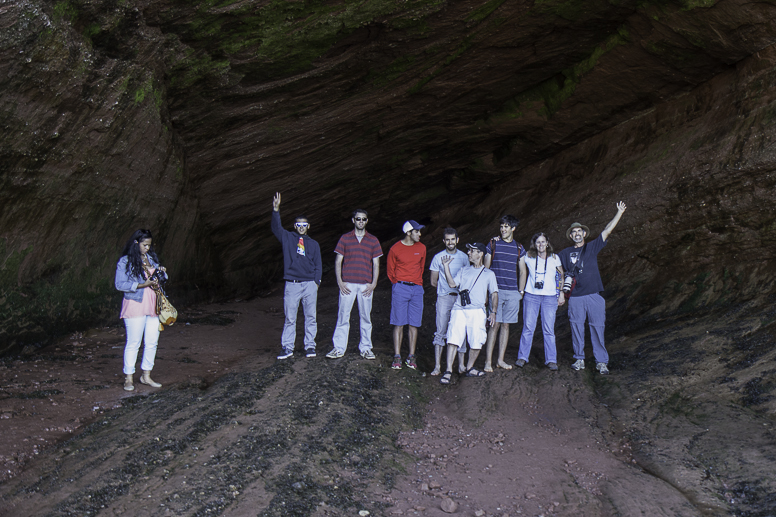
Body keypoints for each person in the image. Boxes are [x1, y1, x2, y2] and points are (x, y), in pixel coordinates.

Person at [557, 201, 627, 375]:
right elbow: (553, 266)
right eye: (573, 232)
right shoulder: (564, 253)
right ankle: (579, 359)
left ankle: (601, 362)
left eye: (579, 231)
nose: (576, 233)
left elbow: (607, 230)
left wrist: (619, 212)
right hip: (575, 297)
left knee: (597, 327)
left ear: (584, 233)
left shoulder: (591, 247)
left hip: (594, 295)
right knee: (576, 327)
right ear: (571, 236)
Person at [114, 229, 167, 391]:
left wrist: (162, 273)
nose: (147, 248)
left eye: (149, 245)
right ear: (136, 243)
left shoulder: (151, 259)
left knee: (152, 342)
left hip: (153, 306)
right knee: (134, 342)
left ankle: (146, 376)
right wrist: (141, 285)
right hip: (135, 305)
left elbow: (158, 281)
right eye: (145, 245)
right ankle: (129, 378)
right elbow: (119, 284)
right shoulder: (125, 261)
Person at [271, 192, 322, 359]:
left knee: (310, 317)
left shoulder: (313, 244)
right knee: (290, 317)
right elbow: (276, 228)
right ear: (295, 226)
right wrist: (276, 210)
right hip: (292, 283)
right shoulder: (288, 238)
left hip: (309, 284)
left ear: (309, 227)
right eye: (298, 224)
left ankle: (310, 346)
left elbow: (318, 265)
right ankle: (287, 347)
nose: (301, 227)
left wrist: (316, 282)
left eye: (304, 224)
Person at [438, 243, 498, 384]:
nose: (469, 253)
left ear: (480, 253)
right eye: (469, 250)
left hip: (477, 310)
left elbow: (494, 294)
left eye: (472, 251)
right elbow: (453, 284)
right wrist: (446, 267)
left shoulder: (489, 274)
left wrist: (493, 312)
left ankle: (470, 367)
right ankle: (448, 370)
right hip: (460, 308)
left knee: (477, 340)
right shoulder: (464, 270)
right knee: (453, 338)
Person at [327, 209, 383, 360]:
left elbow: (376, 264)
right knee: (343, 316)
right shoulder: (345, 238)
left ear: (367, 221)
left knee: (365, 317)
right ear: (353, 220)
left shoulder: (373, 240)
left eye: (364, 219)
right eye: (358, 219)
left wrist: (373, 284)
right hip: (348, 284)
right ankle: (338, 348)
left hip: (365, 285)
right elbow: (338, 261)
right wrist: (339, 281)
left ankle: (366, 348)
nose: (361, 222)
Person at [515, 233, 565, 370]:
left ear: (547, 243)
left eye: (543, 242)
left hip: (549, 297)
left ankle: (551, 359)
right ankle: (522, 357)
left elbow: (560, 274)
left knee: (548, 329)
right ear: (534, 244)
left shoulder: (554, 258)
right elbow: (516, 252)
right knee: (528, 327)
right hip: (531, 295)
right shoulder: (529, 257)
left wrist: (560, 292)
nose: (541, 245)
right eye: (538, 242)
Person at [483, 215, 526, 372]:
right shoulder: (493, 244)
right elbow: (486, 269)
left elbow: (522, 271)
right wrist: (487, 290)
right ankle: (488, 361)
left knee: (506, 326)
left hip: (512, 291)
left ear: (513, 228)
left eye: (506, 226)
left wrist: (520, 291)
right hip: (496, 291)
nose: (503, 229)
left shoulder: (519, 247)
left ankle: (500, 360)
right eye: (501, 226)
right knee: (494, 325)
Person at [429, 228, 470, 375]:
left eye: (453, 239)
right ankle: (438, 366)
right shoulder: (438, 257)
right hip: (444, 297)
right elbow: (433, 281)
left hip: (460, 298)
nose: (450, 242)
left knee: (461, 330)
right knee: (441, 330)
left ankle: (461, 366)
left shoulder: (465, 258)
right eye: (447, 239)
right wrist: (444, 287)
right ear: (444, 241)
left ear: (457, 240)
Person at [387, 220, 426, 370]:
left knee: (414, 323)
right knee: (399, 322)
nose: (419, 234)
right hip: (401, 287)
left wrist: (415, 283)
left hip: (416, 288)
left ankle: (411, 356)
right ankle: (397, 356)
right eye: (417, 231)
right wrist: (397, 284)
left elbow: (421, 267)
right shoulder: (395, 249)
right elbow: (390, 271)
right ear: (408, 232)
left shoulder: (422, 248)